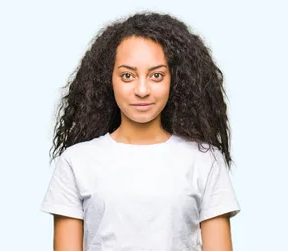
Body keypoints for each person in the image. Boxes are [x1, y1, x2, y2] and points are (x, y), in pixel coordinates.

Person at [40, 11, 240, 251]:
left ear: (174, 80)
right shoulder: (76, 162)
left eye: (156, 75)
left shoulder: (205, 160)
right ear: (109, 79)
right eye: (128, 76)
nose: (142, 90)